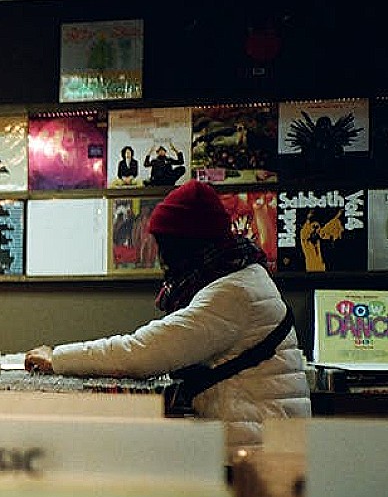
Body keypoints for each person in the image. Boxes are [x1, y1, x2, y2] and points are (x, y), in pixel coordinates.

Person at [24, 180, 310, 456]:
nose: (162, 258)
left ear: (188, 243)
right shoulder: (241, 276)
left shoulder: (232, 293)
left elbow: (140, 353)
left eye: (166, 244)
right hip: (263, 439)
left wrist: (57, 358)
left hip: (258, 452)